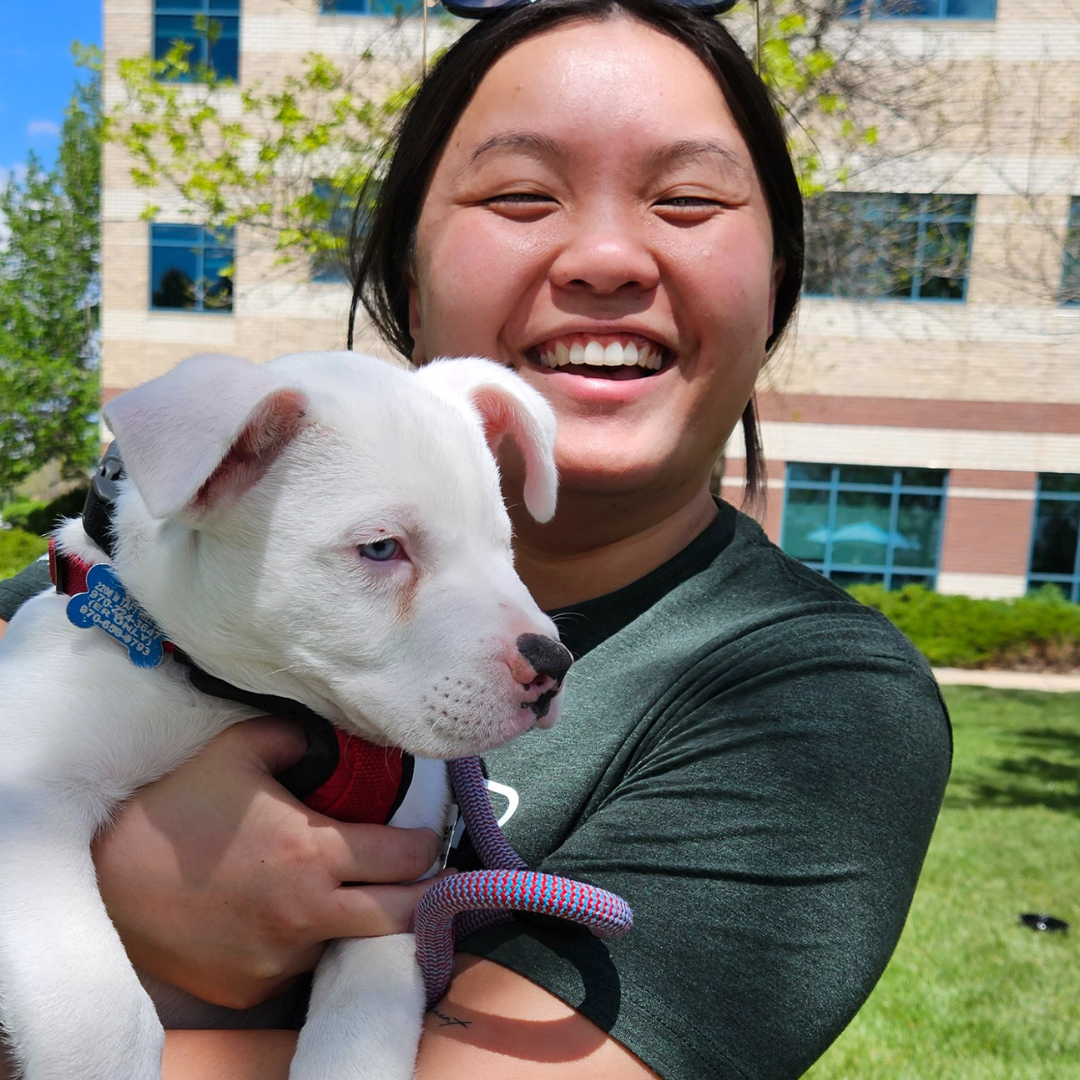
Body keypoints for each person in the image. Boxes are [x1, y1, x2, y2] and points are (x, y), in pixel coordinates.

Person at [0, 1, 951, 1077]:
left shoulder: (808, 703)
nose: (605, 257)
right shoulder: (87, 598)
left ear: (782, 277)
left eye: (688, 199)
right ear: (404, 271)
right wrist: (104, 887)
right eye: (520, 194)